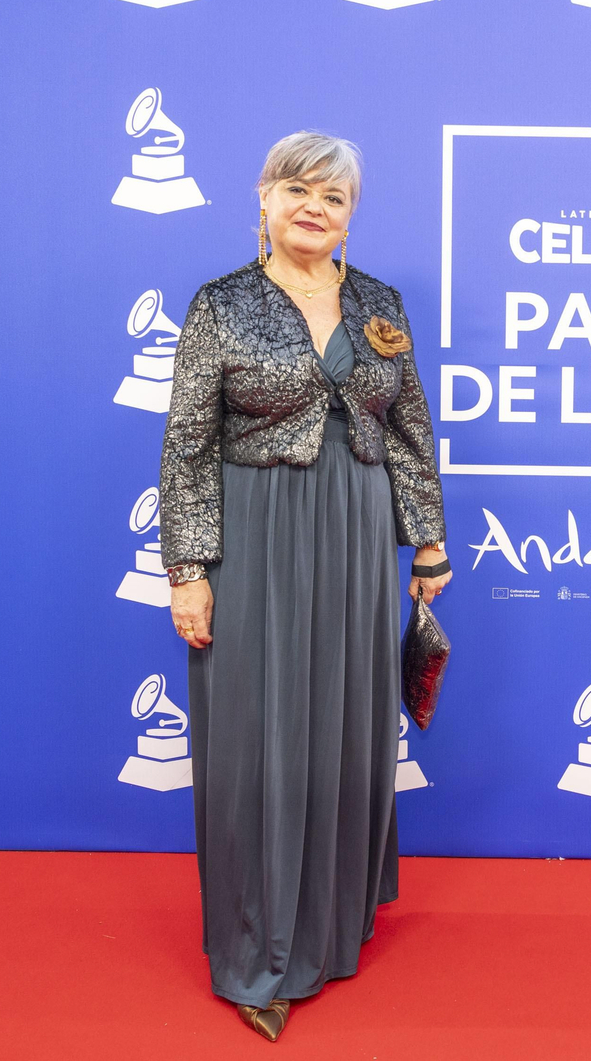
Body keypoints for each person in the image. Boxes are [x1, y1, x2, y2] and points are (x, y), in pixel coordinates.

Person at [158, 131, 451, 1043]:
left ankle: (329, 925)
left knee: (344, 723)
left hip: (358, 533)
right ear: (264, 200)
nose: (313, 207)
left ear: (350, 215)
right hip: (255, 532)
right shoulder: (221, 304)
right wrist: (188, 571)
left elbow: (409, 432)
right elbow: (186, 447)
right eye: (297, 189)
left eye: (333, 196)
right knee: (259, 735)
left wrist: (428, 545)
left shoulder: (379, 304)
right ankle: (259, 953)